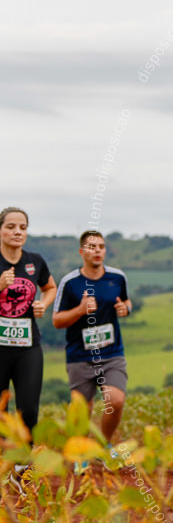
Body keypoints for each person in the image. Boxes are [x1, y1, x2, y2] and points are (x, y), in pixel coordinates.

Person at [53, 230, 132, 470]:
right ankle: (80, 454)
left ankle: (103, 446)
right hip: (80, 356)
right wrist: (79, 310)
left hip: (111, 354)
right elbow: (57, 320)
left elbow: (126, 301)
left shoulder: (117, 277)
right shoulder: (70, 282)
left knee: (115, 400)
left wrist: (125, 309)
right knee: (82, 409)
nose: (97, 250)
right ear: (81, 252)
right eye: (91, 246)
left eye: (101, 246)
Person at [0, 207, 57, 492]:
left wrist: (42, 305)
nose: (17, 232)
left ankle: (21, 474)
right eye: (11, 226)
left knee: (29, 411)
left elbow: (50, 287)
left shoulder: (35, 261)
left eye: (22, 227)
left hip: (27, 345)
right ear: (1, 230)